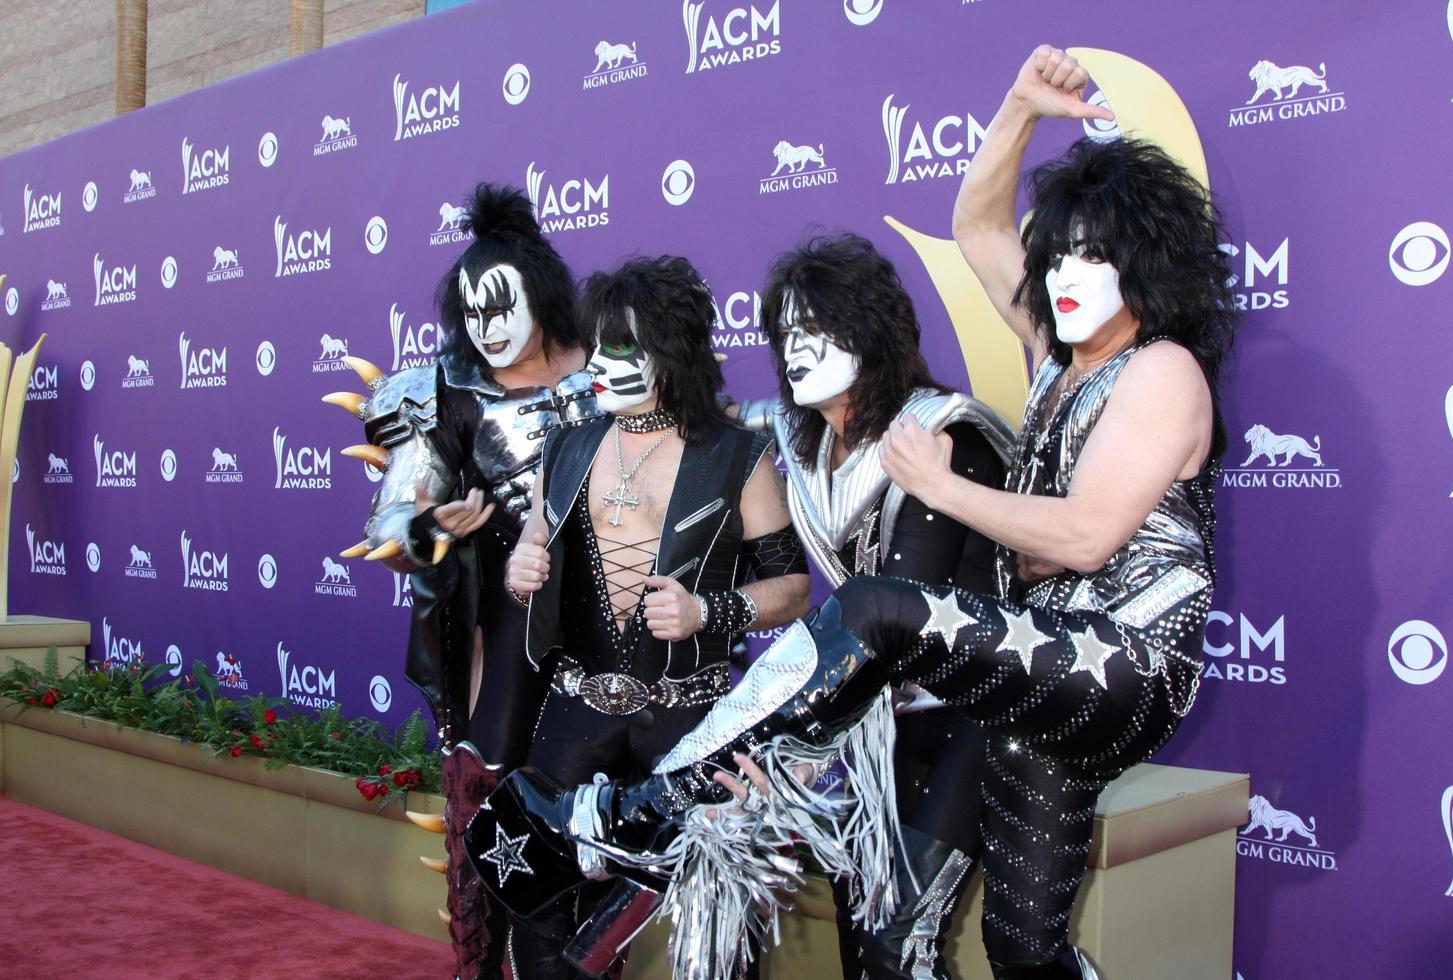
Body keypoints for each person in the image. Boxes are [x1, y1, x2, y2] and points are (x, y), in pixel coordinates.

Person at [469, 44, 1238, 980]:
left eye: (1095, 254)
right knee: (1022, 948)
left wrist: (942, 484)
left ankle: (657, 810)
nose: (1067, 273)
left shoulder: (1161, 367)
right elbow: (976, 219)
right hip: (1040, 685)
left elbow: (1088, 533)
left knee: (873, 605)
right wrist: (1020, 105)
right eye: (1059, 251)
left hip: (1122, 663)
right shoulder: (1057, 353)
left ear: (1146, 265)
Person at [486, 255, 811, 978]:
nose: (598, 364)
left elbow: (794, 587)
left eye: (620, 347)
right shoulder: (568, 446)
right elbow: (534, 541)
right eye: (596, 345)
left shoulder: (738, 456)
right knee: (536, 892)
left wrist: (710, 610)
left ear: (671, 352)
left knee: (712, 906)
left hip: (687, 720)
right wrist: (521, 566)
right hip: (575, 710)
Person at [324, 184, 598, 979]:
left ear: (541, 295)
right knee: (493, 800)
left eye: (501, 303)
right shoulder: (441, 391)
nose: (488, 325)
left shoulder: (617, 369)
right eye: (472, 311)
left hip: (621, 626)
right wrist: (431, 530)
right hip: (508, 629)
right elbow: (389, 532)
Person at [737, 232, 1013, 979]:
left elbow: (900, 619)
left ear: (871, 329)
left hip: (976, 711)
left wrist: (783, 737)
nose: (795, 349)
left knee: (898, 942)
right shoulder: (803, 447)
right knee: (862, 947)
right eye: (786, 333)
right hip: (869, 726)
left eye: (817, 330)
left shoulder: (940, 431)